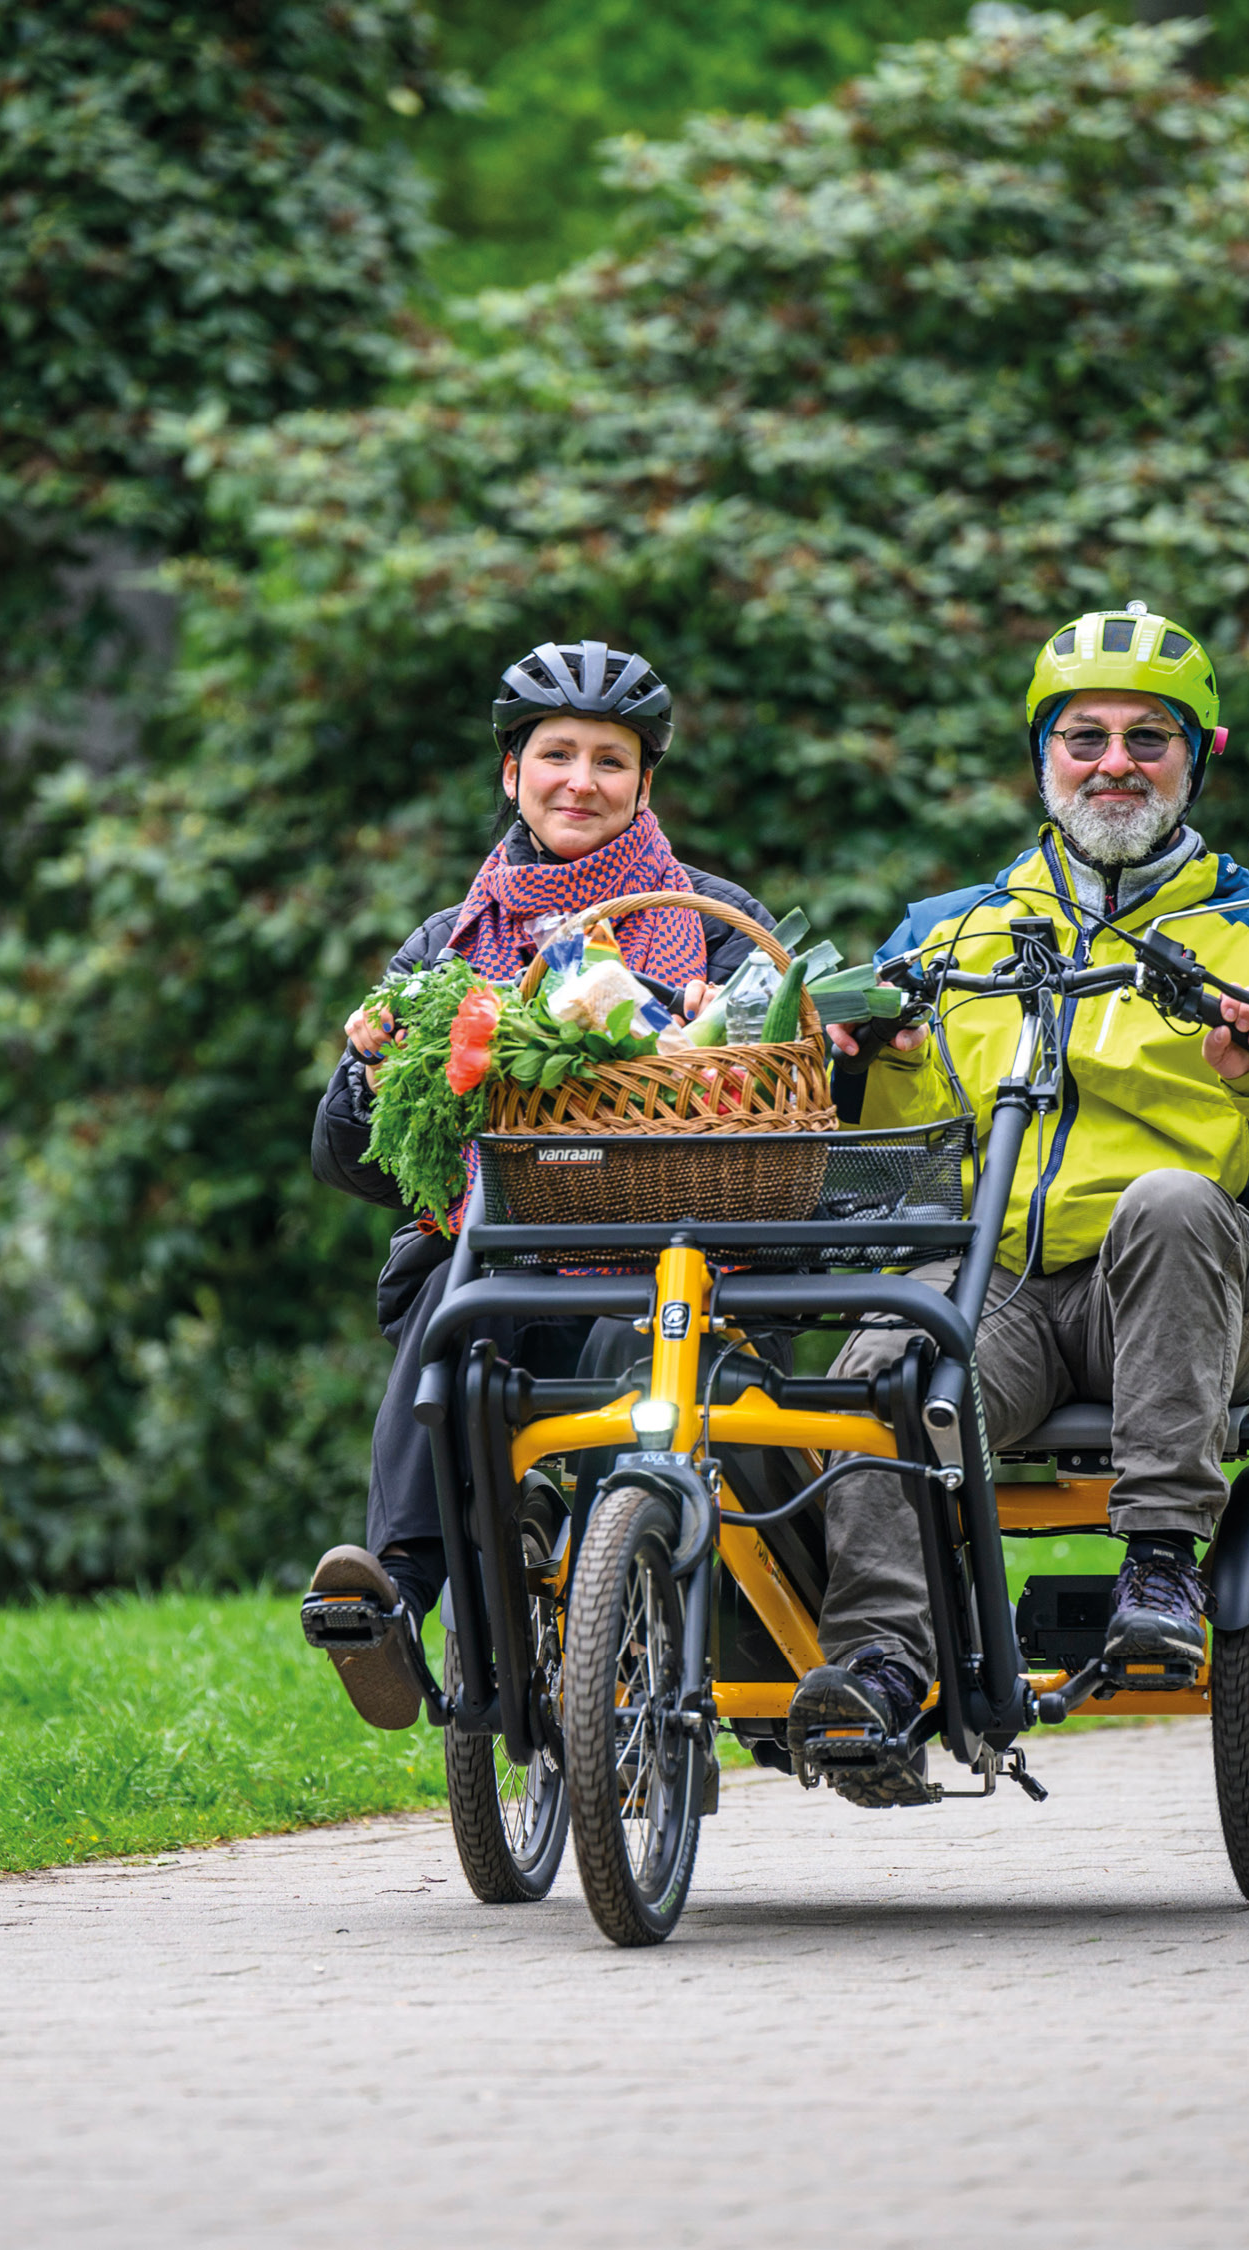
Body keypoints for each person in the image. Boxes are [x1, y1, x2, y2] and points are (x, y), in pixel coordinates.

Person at [789, 602, 1249, 1804]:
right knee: (885, 1358)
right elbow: (876, 1130)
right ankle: (882, 1670)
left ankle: (1159, 1569)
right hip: (998, 1293)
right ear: (1043, 756)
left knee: (1164, 1200)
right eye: (1085, 737)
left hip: (1193, 1289)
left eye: (1147, 738)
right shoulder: (948, 934)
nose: (1114, 762)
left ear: (1199, 757)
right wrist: (851, 1049)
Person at [297, 638, 778, 1729]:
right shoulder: (449, 942)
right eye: (555, 754)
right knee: (452, 1309)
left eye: (610, 761)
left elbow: (784, 1107)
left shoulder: (713, 920)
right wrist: (370, 1071)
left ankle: (616, 1596)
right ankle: (393, 1599)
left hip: (672, 1263)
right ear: (510, 772)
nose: (580, 781)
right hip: (501, 1264)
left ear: (644, 783)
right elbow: (350, 1162)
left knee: (628, 1344)